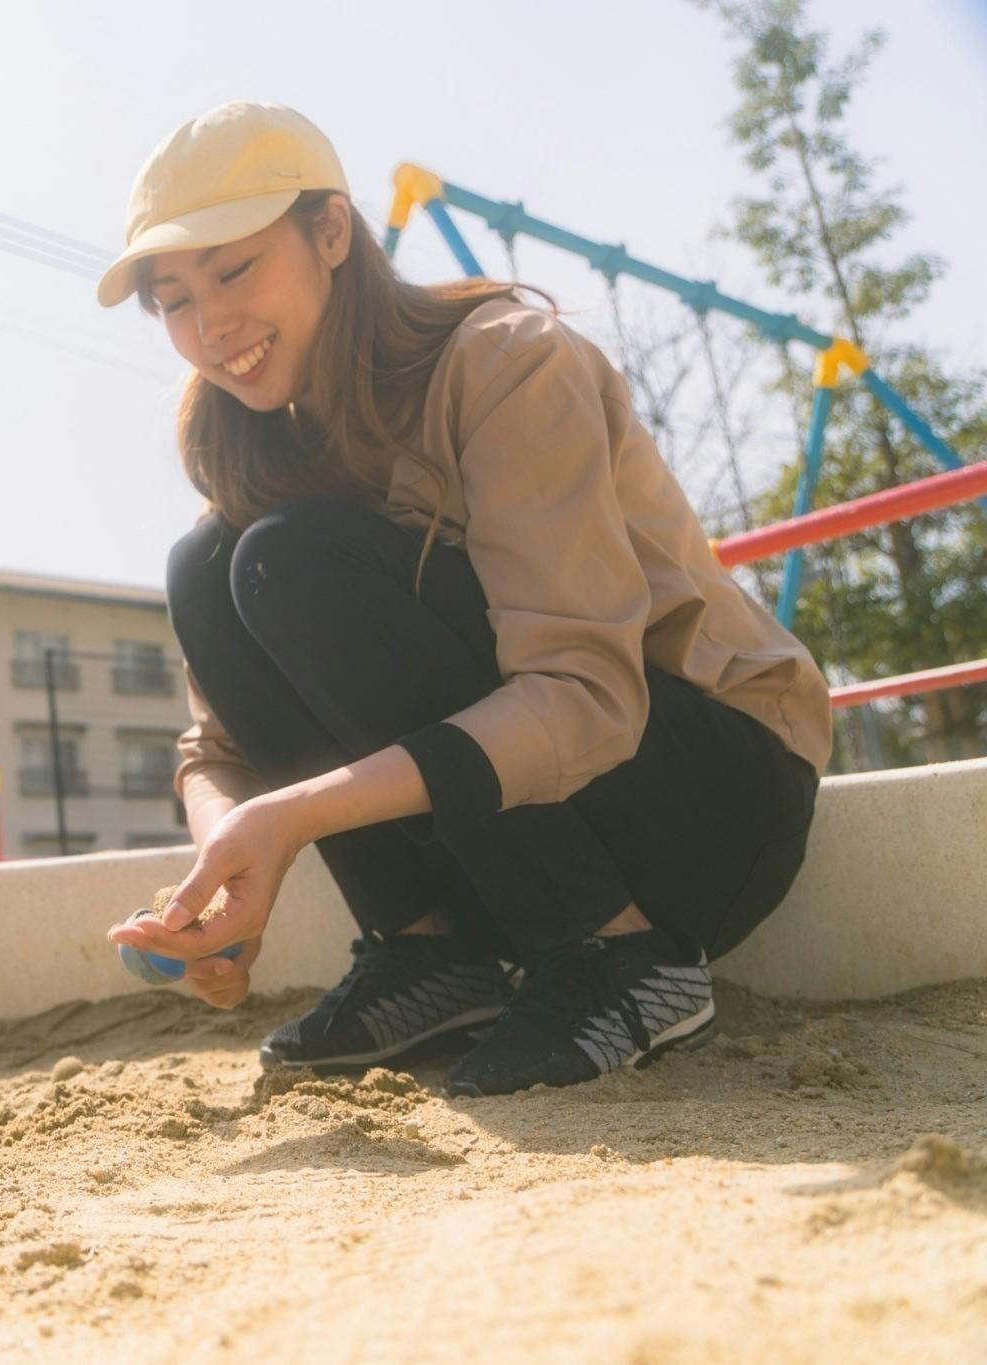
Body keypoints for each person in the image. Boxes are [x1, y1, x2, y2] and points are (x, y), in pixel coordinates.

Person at [99, 103, 831, 1098]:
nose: (209, 325)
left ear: (328, 235)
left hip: (705, 800)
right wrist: (222, 879)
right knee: (209, 563)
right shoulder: (245, 444)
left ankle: (623, 962)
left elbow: (586, 695)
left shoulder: (503, 362)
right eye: (172, 299)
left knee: (288, 558)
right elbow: (215, 754)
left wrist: (292, 818)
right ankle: (430, 958)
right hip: (506, 857)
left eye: (233, 271)